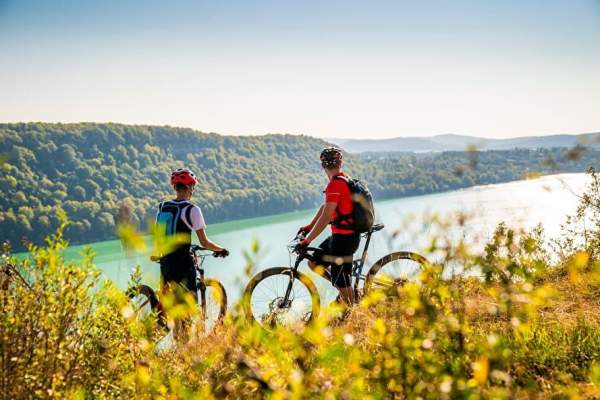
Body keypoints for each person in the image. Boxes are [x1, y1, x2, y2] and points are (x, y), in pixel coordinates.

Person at [295, 148, 361, 305]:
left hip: (343, 240)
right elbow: (326, 207)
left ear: (323, 165)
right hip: (343, 237)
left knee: (343, 282)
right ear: (340, 163)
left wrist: (307, 241)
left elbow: (325, 218)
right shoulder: (344, 179)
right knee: (313, 263)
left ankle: (354, 310)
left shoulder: (335, 185)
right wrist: (309, 226)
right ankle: (343, 287)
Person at [155, 168, 229, 301]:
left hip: (165, 260)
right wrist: (221, 250)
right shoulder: (192, 210)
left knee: (166, 302)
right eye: (193, 187)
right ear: (189, 187)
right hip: (183, 263)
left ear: (175, 188)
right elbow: (204, 242)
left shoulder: (163, 207)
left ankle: (160, 319)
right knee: (189, 304)